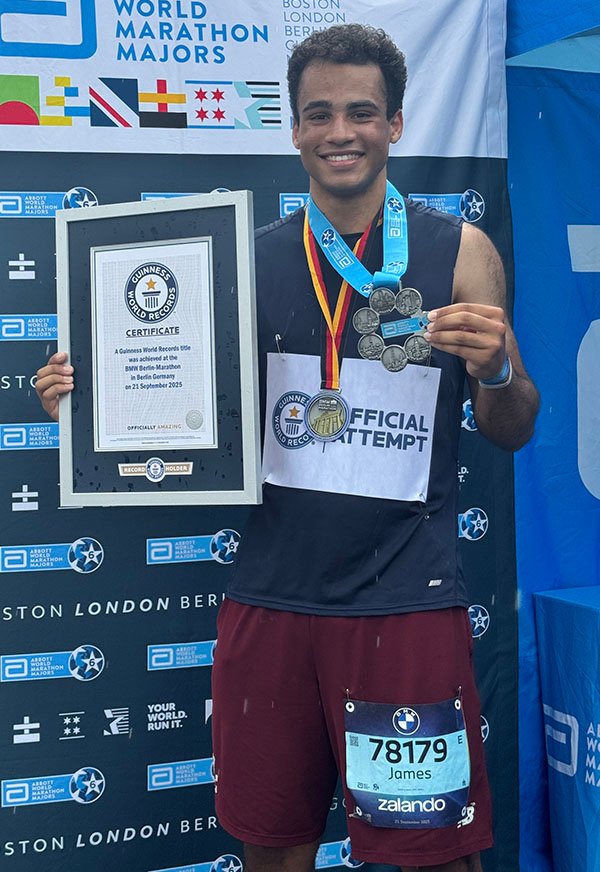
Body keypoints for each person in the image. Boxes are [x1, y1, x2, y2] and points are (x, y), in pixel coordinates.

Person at [36, 23, 539, 872]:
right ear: (293, 127)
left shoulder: (465, 254)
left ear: (397, 125)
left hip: (407, 604)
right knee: (271, 852)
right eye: (320, 114)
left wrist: (495, 373)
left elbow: (512, 426)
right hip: (272, 601)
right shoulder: (237, 262)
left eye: (362, 113)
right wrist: (84, 413)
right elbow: (176, 415)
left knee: (433, 859)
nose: (341, 131)